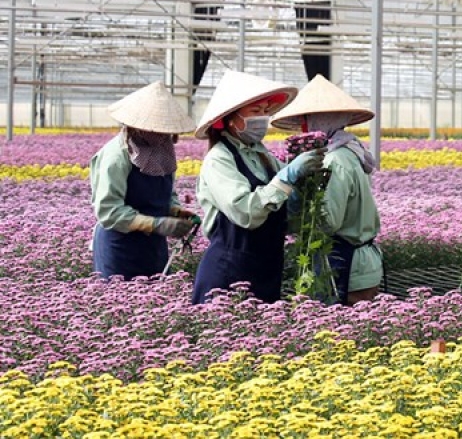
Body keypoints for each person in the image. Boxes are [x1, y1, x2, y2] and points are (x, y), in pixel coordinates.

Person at [191, 71, 324, 304]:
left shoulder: (262, 154)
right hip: (229, 271)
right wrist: (288, 176)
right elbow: (246, 212)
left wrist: (305, 182)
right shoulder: (219, 159)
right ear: (230, 119)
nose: (262, 119)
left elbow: (285, 202)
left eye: (265, 112)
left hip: (266, 267)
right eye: (254, 112)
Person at [270, 74, 383, 306]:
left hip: (348, 265)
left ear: (322, 121)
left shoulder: (335, 160)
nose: (304, 127)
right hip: (358, 262)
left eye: (308, 120)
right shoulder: (351, 149)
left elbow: (329, 221)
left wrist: (293, 206)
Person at [90, 81, 197, 280]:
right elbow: (108, 210)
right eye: (158, 129)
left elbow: (166, 190)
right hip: (121, 245)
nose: (165, 135)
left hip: (152, 245)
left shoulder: (161, 149)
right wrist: (155, 224)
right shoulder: (117, 156)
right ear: (139, 126)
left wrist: (174, 211)